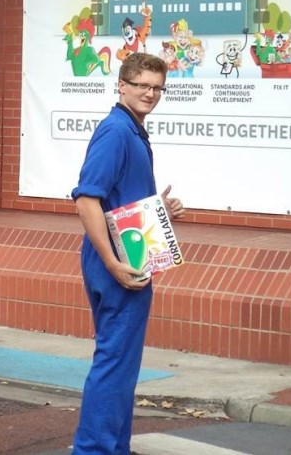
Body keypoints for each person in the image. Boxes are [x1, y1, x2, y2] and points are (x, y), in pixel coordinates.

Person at [70, 53, 185, 455]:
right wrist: (112, 262)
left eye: (157, 87)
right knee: (114, 361)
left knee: (121, 362)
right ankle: (95, 450)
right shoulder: (117, 131)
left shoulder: (132, 130)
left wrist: (158, 210)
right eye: (142, 85)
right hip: (117, 261)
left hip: (131, 253)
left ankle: (112, 447)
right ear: (121, 85)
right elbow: (87, 199)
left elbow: (117, 200)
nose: (150, 94)